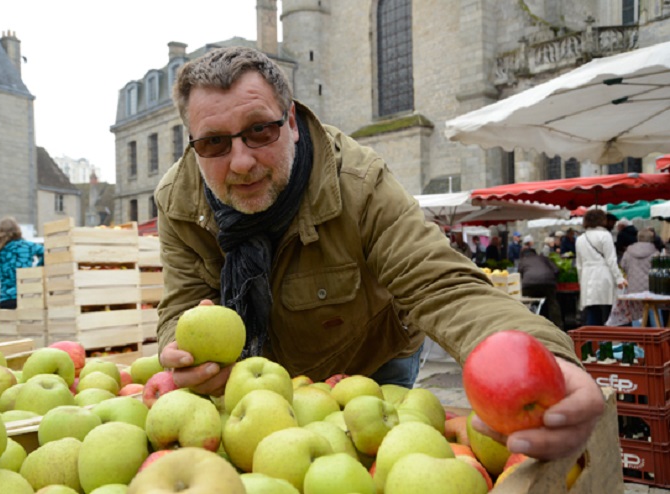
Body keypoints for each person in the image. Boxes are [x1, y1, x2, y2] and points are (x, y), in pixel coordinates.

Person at [154, 46, 604, 461]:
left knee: (380, 463)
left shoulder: (360, 181)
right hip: (265, 384)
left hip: (374, 358)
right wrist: (181, 351)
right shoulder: (178, 201)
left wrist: (544, 360)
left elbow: (441, 284)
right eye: (214, 142)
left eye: (258, 130)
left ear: (290, 122)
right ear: (192, 146)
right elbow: (181, 303)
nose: (241, 162)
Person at [575, 209, 627, 326]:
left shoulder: (580, 239)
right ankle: (607, 341)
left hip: (587, 277)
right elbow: (611, 260)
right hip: (604, 275)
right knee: (609, 312)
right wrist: (619, 278)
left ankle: (593, 341)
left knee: (592, 312)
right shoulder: (605, 235)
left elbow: (579, 264)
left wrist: (581, 281)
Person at [0, 217, 44, 309]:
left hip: (5, 299)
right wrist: (36, 270)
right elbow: (46, 253)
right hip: (25, 295)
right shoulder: (26, 246)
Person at [518, 236, 563, 329]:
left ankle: (531, 325)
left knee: (528, 302)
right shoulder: (543, 258)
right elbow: (556, 270)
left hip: (529, 284)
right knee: (552, 302)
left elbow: (520, 275)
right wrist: (554, 280)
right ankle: (558, 327)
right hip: (548, 282)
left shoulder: (523, 261)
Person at [620, 228, 661, 326]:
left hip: (633, 288)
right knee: (654, 312)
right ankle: (658, 335)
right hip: (652, 289)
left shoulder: (628, 252)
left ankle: (638, 338)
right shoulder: (656, 253)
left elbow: (623, 265)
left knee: (636, 315)